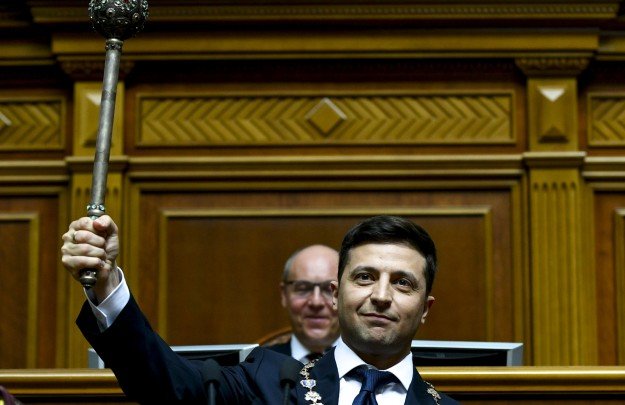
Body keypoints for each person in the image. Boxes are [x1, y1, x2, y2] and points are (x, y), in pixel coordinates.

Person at [61, 214, 459, 404]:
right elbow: (168, 385)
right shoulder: (268, 380)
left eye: (403, 283)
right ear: (336, 294)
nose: (381, 296)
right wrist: (107, 284)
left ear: (425, 308)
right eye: (365, 277)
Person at [266, 245, 341, 363]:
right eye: (303, 289)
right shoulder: (257, 366)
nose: (316, 302)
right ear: (284, 294)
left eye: (329, 289)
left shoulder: (369, 364)